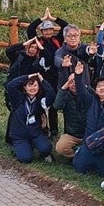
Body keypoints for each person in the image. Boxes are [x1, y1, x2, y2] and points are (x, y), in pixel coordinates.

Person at [26, 7, 68, 135]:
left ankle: (54, 130)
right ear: (42, 31)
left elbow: (66, 26)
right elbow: (30, 29)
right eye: (45, 29)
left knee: (54, 103)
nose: (48, 31)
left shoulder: (58, 39)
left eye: (50, 29)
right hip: (41, 75)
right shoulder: (38, 40)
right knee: (41, 101)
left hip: (56, 75)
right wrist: (42, 19)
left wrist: (53, 18)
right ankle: (42, 128)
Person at [5, 72, 55, 163]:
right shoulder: (18, 98)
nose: (32, 88)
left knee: (46, 148)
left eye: (35, 85)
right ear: (25, 87)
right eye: (30, 86)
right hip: (20, 136)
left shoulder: (40, 100)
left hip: (35, 133)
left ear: (39, 87)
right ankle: (20, 148)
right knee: (26, 159)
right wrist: (27, 76)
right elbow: (10, 85)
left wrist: (42, 80)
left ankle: (37, 149)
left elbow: (51, 95)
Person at [53, 73, 87, 161]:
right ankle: (75, 156)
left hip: (87, 133)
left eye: (77, 81)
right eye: (71, 82)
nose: (74, 84)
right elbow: (56, 106)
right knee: (60, 148)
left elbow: (96, 99)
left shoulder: (88, 94)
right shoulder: (65, 95)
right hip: (71, 134)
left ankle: (82, 155)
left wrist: (83, 86)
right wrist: (64, 88)